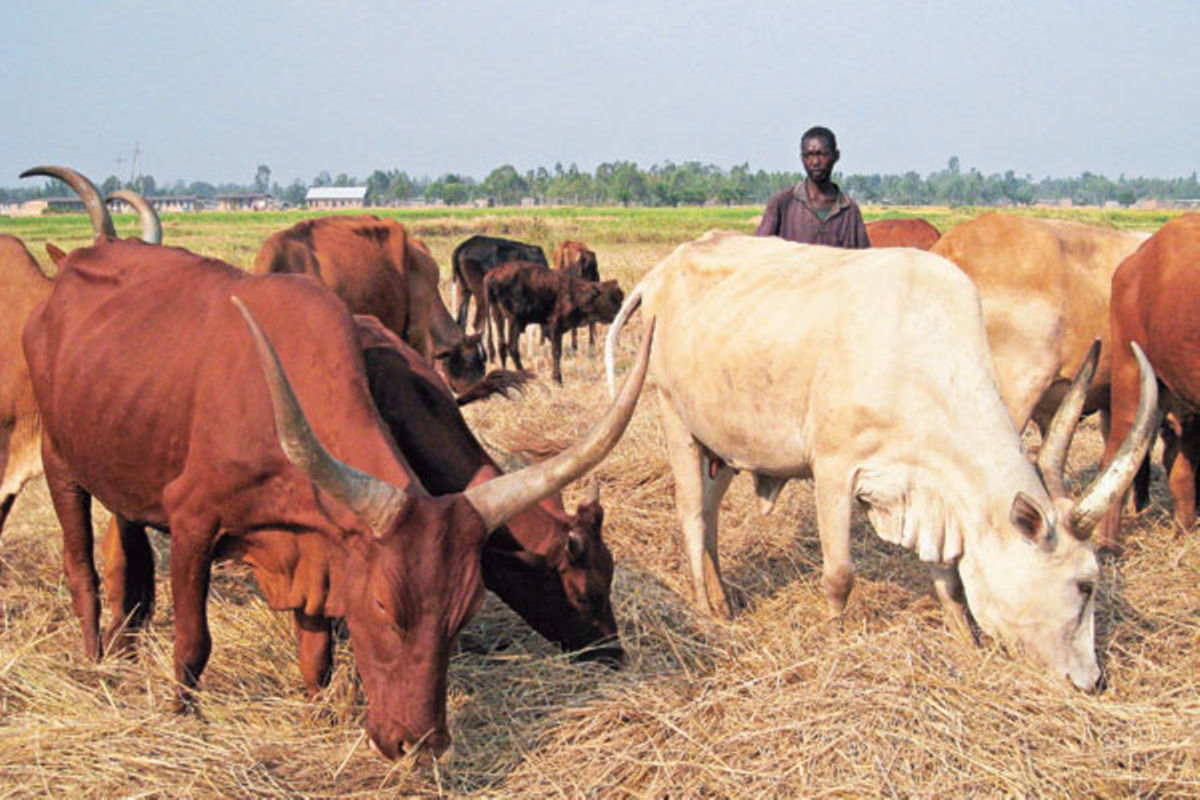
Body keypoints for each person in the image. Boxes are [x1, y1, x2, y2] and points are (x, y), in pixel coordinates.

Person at [755, 126, 869, 248]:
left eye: (822, 154)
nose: (815, 162)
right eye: (809, 155)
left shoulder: (849, 210)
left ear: (836, 156)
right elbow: (760, 252)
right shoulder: (782, 203)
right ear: (802, 158)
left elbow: (863, 260)